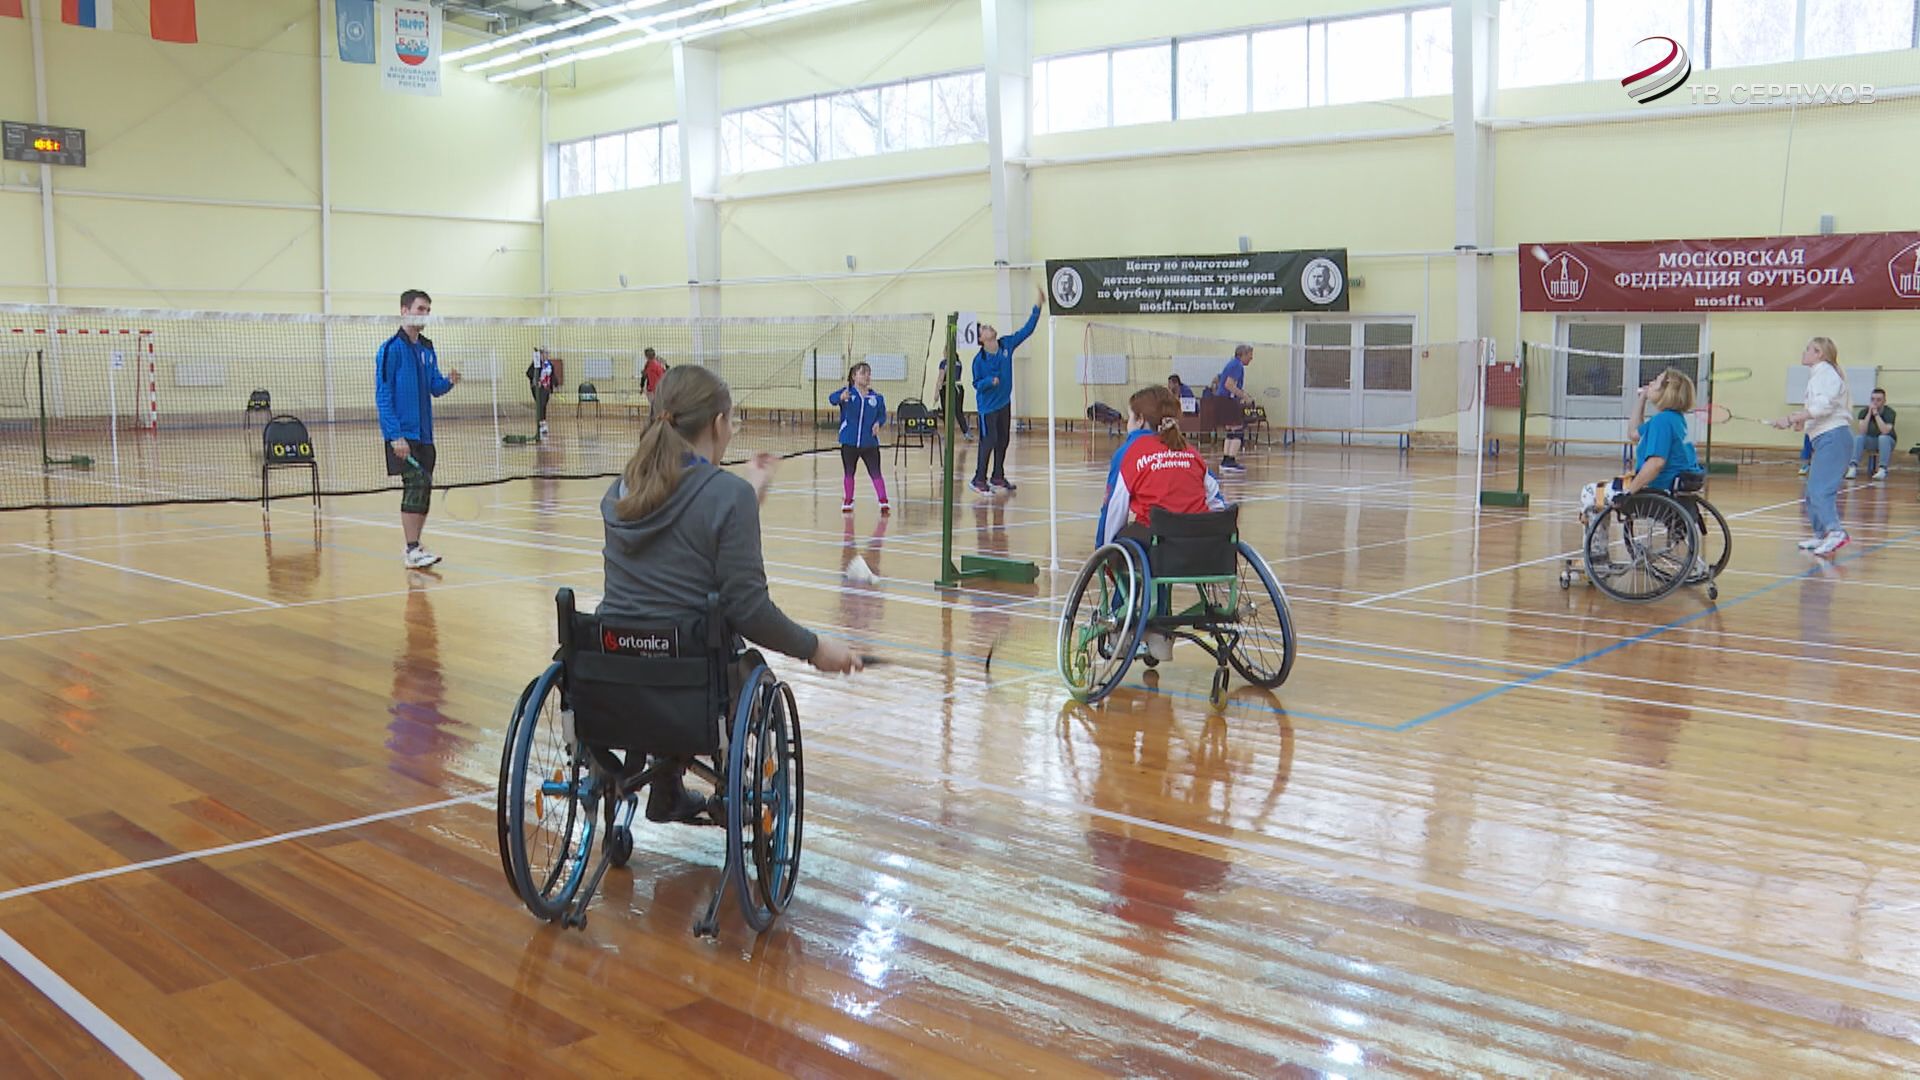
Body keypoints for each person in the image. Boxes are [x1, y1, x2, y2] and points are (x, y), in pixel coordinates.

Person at [599, 364, 861, 822]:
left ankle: (664, 785)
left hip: (612, 675)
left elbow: (683, 535)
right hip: (691, 686)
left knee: (659, 639)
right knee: (727, 657)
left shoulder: (620, 491)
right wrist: (815, 648)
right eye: (732, 422)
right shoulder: (726, 496)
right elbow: (749, 610)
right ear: (718, 423)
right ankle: (712, 790)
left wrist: (746, 493)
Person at [1097, 385, 1229, 661]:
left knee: (1125, 544)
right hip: (1205, 548)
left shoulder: (1131, 452)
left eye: (1130, 418)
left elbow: (1115, 509)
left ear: (1141, 420)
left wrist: (1103, 551)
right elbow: (1218, 503)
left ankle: (1122, 628)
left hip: (1159, 548)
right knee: (1164, 536)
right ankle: (1161, 637)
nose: (1127, 425)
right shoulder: (1190, 451)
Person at [1581, 368, 1704, 574]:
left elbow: (1656, 463)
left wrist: (1629, 493)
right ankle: (1598, 556)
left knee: (1591, 493)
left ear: (1667, 391)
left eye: (1656, 381)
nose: (1651, 382)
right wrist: (1642, 398)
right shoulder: (1674, 419)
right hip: (1672, 490)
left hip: (1655, 491)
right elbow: (1633, 433)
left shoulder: (1662, 422)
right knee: (1604, 489)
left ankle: (1597, 559)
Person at [376, 289, 461, 569]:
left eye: (427, 310)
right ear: (404, 310)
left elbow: (433, 387)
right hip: (404, 435)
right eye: (420, 309)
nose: (424, 314)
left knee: (424, 487)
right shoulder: (390, 349)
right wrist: (394, 435)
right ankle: (411, 549)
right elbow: (383, 396)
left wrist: (449, 381)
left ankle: (415, 546)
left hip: (426, 434)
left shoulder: (427, 347)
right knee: (413, 488)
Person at [1771, 336, 1854, 556]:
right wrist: (1799, 422)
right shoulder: (1817, 375)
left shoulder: (1825, 373)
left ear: (1819, 354)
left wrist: (1791, 418)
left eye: (1808, 349)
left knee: (1821, 490)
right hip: (1824, 438)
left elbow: (1824, 406)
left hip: (1834, 438)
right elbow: (1817, 410)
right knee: (1811, 491)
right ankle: (1820, 535)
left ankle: (1836, 533)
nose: (1804, 351)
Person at [970, 287, 1045, 495]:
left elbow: (1027, 330)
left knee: (1003, 440)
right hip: (987, 408)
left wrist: (1037, 305)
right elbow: (976, 383)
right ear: (981, 339)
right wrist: (989, 381)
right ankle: (978, 479)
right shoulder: (979, 361)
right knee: (989, 441)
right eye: (984, 328)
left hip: (1004, 403)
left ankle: (997, 476)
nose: (988, 327)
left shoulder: (1006, 345)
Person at [829, 361, 890, 514]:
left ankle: (883, 501)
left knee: (875, 472)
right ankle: (848, 500)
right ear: (854, 376)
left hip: (869, 442)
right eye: (863, 373)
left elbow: (882, 415)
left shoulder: (877, 398)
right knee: (849, 472)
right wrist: (840, 397)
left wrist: (878, 423)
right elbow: (832, 398)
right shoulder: (847, 393)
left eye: (869, 373)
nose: (867, 376)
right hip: (849, 441)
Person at [1216, 345, 1254, 473]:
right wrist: (1245, 396)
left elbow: (1221, 381)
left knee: (1231, 431)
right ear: (1242, 354)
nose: (1251, 358)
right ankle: (1231, 461)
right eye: (1250, 355)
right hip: (1228, 401)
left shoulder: (1232, 364)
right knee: (1238, 430)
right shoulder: (1237, 365)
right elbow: (1229, 384)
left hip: (1222, 400)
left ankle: (1226, 460)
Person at [1849, 387, 1895, 481]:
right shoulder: (1864, 412)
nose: (1875, 402)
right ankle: (1852, 467)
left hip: (1887, 442)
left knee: (1883, 438)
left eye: (1878, 400)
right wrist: (1869, 414)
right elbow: (1862, 431)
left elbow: (1885, 431)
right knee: (1858, 438)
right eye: (1873, 399)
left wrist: (1876, 415)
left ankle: (1882, 469)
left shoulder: (1890, 412)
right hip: (1871, 440)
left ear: (1884, 401)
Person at [525, 346, 556, 439]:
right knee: (541, 404)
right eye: (545, 353)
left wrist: (555, 384)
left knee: (544, 405)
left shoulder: (549, 364)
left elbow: (552, 376)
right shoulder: (536, 363)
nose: (546, 355)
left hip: (546, 388)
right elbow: (528, 373)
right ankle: (541, 423)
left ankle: (543, 422)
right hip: (538, 389)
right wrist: (535, 379)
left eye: (547, 353)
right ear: (541, 354)